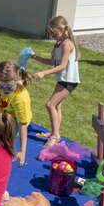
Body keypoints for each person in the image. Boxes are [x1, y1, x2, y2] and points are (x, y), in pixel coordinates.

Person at [31, 15, 81, 147]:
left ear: (62, 29)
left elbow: (62, 66)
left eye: (54, 33)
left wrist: (43, 73)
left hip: (69, 81)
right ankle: (55, 132)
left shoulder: (67, 44)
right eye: (51, 33)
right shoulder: (58, 44)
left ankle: (55, 136)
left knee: (50, 104)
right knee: (57, 105)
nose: (52, 35)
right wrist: (35, 57)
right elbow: (52, 62)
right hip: (64, 79)